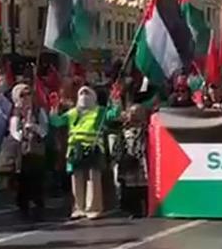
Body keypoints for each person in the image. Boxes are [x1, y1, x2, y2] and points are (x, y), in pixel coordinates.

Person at [51, 85, 121, 220]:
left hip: (94, 148)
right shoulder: (72, 113)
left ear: (93, 97)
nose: (84, 96)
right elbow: (57, 122)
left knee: (93, 178)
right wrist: (54, 109)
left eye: (87, 93)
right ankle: (78, 207)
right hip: (75, 149)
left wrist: (116, 101)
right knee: (76, 179)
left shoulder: (100, 111)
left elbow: (113, 114)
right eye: (81, 93)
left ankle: (94, 208)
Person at [8, 84, 49, 221]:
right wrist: (23, 133)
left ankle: (38, 204)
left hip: (36, 150)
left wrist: (34, 127)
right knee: (22, 178)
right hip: (21, 151)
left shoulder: (38, 111)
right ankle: (23, 205)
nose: (26, 98)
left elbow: (44, 130)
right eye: (22, 95)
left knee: (37, 177)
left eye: (28, 94)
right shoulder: (16, 112)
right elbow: (13, 131)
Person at [111, 104, 149, 218]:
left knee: (143, 187)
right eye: (131, 112)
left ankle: (145, 208)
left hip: (142, 162)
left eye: (135, 112)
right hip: (128, 161)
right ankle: (133, 210)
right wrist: (118, 158)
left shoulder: (147, 129)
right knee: (129, 187)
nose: (132, 115)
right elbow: (118, 146)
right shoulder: (123, 130)